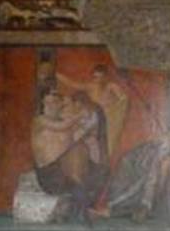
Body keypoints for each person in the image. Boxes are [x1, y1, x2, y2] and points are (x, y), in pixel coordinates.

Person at [31, 88, 108, 222]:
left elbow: (84, 136)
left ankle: (81, 204)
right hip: (50, 175)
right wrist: (79, 116)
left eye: (54, 103)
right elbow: (61, 127)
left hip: (69, 174)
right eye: (47, 103)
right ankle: (81, 205)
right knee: (75, 152)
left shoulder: (68, 121)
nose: (50, 107)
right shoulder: (40, 120)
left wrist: (88, 128)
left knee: (81, 150)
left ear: (60, 105)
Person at [57, 63, 130, 159]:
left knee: (107, 141)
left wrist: (112, 107)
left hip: (110, 117)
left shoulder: (111, 86)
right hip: (95, 116)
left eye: (100, 77)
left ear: (105, 77)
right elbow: (73, 84)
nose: (98, 80)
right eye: (95, 77)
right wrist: (58, 76)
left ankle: (103, 158)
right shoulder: (91, 86)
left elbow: (123, 99)